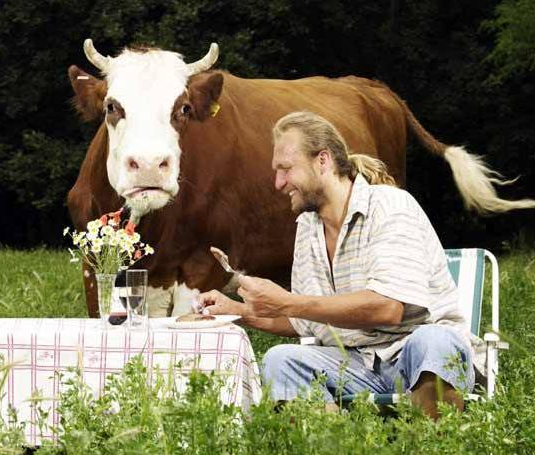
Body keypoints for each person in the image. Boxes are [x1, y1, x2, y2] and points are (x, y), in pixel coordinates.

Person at [198, 111, 483, 419]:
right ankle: (335, 443)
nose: (278, 183)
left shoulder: (389, 206)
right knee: (280, 360)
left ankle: (433, 444)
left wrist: (286, 302)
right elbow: (306, 320)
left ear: (323, 161)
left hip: (417, 359)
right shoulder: (307, 227)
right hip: (356, 365)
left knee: (434, 339)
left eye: (286, 169)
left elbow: (388, 308)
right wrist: (237, 311)